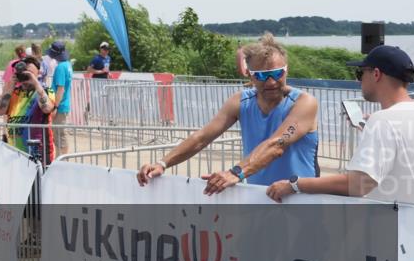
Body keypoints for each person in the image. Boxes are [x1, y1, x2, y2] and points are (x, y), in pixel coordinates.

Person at [137, 33, 320, 194]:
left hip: (301, 199)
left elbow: (276, 145)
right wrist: (162, 163)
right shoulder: (241, 102)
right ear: (250, 75)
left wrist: (235, 173)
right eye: (262, 75)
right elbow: (201, 137)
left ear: (286, 71)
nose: (271, 82)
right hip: (261, 197)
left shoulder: (304, 103)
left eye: (277, 73)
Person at [267, 45, 414, 204]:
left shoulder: (383, 121)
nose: (358, 81)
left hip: (398, 219)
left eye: (360, 73)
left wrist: (295, 184)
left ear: (376, 74)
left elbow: (359, 184)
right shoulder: (393, 120)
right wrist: (373, 129)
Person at [0, 56, 56, 163]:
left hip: (39, 156)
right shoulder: (13, 93)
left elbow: (47, 108)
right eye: (23, 73)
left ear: (38, 74)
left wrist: (35, 82)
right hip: (15, 155)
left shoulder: (45, 91)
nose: (25, 77)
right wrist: (10, 87)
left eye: (29, 73)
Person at [48, 41, 74, 151]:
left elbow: (60, 89)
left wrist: (55, 107)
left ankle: (62, 159)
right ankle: (63, 158)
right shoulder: (67, 65)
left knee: (59, 134)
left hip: (60, 105)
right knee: (60, 134)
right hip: (64, 104)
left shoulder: (60, 67)